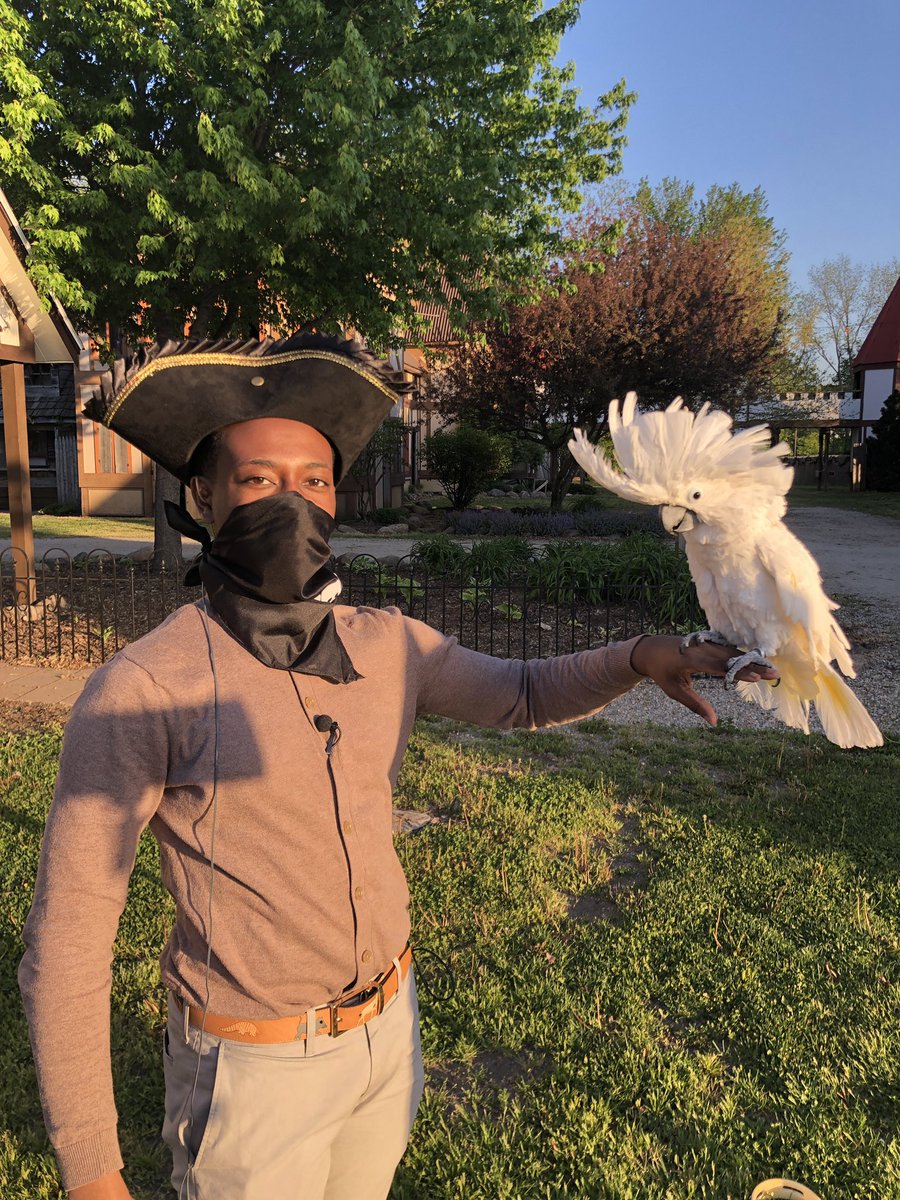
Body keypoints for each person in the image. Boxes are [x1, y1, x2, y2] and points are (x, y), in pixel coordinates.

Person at [18, 335, 777, 1200]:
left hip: (387, 1033)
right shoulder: (145, 687)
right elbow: (69, 937)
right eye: (259, 479)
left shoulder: (388, 646)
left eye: (314, 480)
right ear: (203, 495)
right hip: (254, 1067)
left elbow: (523, 692)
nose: (292, 500)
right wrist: (91, 1171)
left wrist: (641, 655)